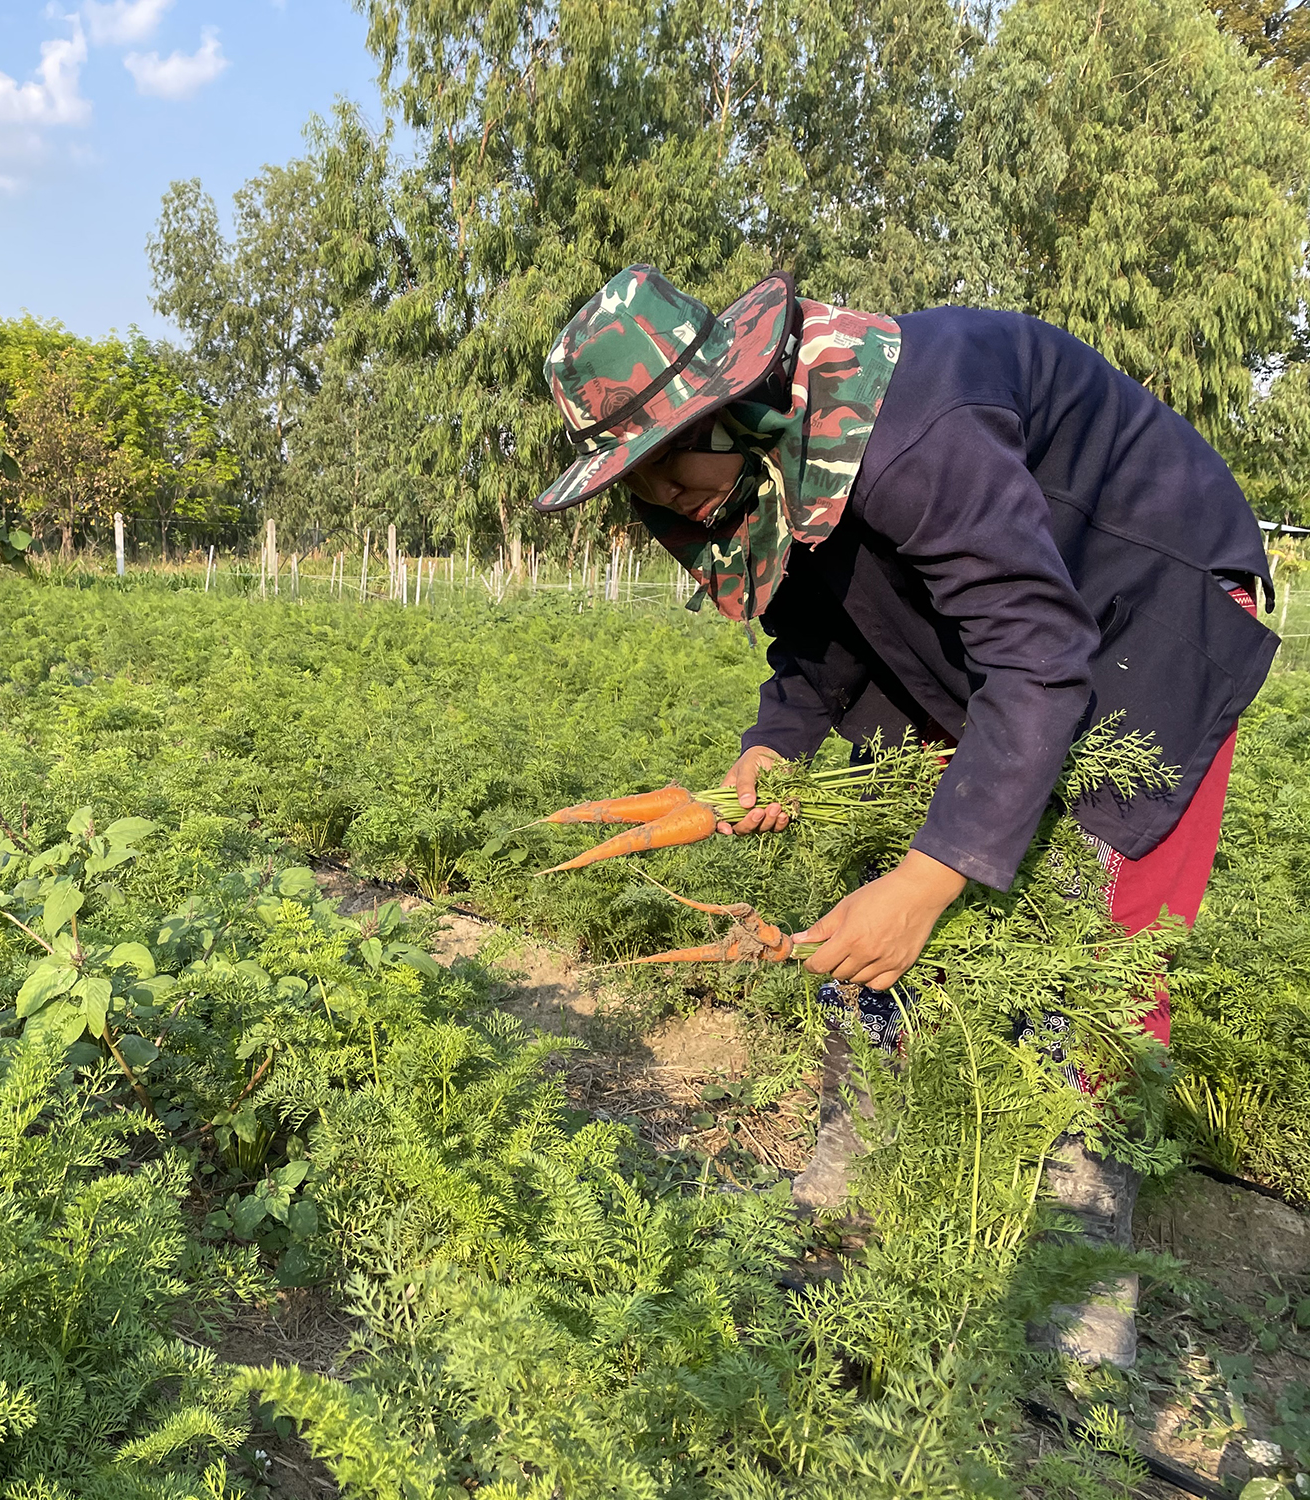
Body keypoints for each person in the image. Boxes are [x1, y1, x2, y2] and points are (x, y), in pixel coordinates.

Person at [532, 265, 1279, 1365]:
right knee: (893, 860)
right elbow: (824, 622)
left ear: (724, 410)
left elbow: (1035, 652)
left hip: (1145, 607)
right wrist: (770, 748)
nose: (653, 500)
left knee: (1098, 948)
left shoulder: (913, 426)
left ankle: (1081, 1284)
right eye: (629, 482)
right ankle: (857, 1181)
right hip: (995, 629)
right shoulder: (772, 461)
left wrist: (929, 885)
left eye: (658, 465)